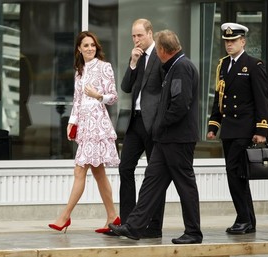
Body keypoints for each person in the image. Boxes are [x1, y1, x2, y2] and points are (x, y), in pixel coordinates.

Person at [110, 29, 203, 244]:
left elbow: (180, 105)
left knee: (185, 184)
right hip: (165, 139)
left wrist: (159, 125)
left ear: (162, 50)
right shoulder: (173, 66)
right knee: (152, 182)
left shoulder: (181, 67)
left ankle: (193, 232)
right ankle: (134, 227)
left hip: (178, 139)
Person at [48, 31, 121, 233]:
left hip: (98, 124)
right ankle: (113, 217)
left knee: (80, 170)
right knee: (99, 173)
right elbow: (77, 100)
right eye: (86, 45)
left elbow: (113, 97)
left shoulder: (104, 67)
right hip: (85, 125)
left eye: (93, 45)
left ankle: (64, 216)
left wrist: (98, 95)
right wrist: (72, 122)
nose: (90, 48)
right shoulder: (79, 71)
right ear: (79, 49)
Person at [207, 22, 268, 234]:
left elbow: (262, 100)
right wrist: (213, 124)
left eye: (233, 41)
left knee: (235, 174)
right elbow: (219, 97)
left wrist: (261, 130)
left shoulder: (254, 65)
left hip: (245, 129)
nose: (229, 44)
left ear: (243, 41)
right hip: (229, 130)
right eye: (226, 41)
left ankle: (243, 219)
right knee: (238, 174)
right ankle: (248, 220)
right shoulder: (223, 65)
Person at [117, 18, 165, 238]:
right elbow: (126, 87)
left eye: (139, 35)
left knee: (154, 174)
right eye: (133, 36)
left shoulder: (160, 55)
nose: (136, 40)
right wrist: (133, 63)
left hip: (153, 124)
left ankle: (154, 227)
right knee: (125, 168)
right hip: (135, 122)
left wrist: (161, 121)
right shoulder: (137, 56)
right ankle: (128, 223)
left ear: (150, 33)